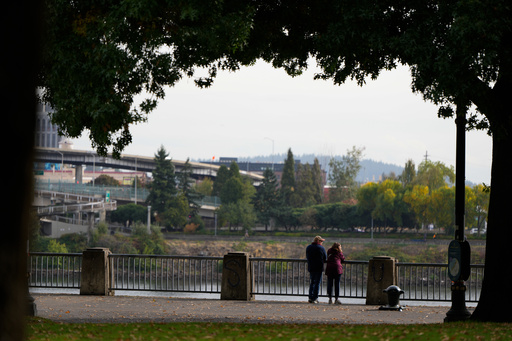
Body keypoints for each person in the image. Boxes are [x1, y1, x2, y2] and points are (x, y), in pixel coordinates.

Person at [306, 235, 327, 303]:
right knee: (317, 283)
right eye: (321, 241)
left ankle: (310, 297)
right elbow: (325, 258)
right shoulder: (321, 248)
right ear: (318, 241)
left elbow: (307, 256)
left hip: (311, 267)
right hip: (319, 267)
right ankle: (315, 298)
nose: (322, 242)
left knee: (312, 282)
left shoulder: (308, 247)